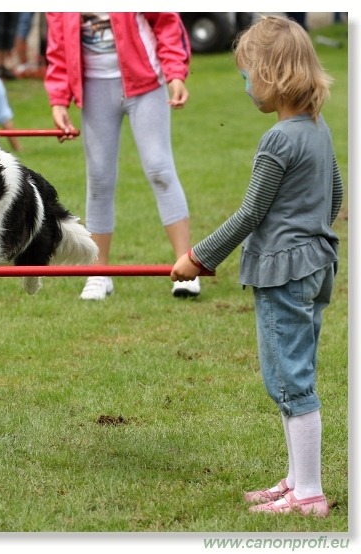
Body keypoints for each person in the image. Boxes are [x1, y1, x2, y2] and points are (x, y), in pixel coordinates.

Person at [171, 15, 343, 517]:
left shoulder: (277, 141)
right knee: (297, 370)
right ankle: (295, 479)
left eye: (247, 73)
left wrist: (198, 259)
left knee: (290, 380)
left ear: (271, 74)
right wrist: (309, 233)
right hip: (317, 265)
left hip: (283, 273)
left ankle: (309, 494)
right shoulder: (317, 127)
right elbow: (334, 194)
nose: (245, 83)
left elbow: (250, 213)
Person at [45, 13, 197, 300]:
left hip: (146, 84)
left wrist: (175, 73)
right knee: (99, 178)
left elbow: (166, 23)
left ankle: (185, 268)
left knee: (159, 169)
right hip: (94, 88)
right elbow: (58, 48)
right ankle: (98, 273)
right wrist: (58, 99)